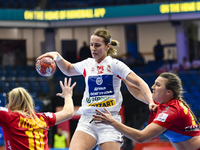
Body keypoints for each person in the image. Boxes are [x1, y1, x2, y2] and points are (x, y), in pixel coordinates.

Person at [37, 28, 156, 150]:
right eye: (92, 45)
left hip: (109, 120)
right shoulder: (87, 64)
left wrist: (151, 101)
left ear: (107, 46)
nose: (93, 48)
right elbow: (67, 69)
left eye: (97, 45)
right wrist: (57, 57)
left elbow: (139, 82)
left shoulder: (115, 65)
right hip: (88, 119)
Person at [93, 72, 200, 150]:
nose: (152, 87)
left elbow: (141, 137)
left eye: (158, 85)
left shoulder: (171, 111)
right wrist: (122, 76)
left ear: (169, 92)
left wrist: (112, 122)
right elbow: (138, 93)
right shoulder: (162, 103)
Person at [0, 77, 75, 150]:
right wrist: (68, 96)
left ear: (10, 105)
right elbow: (68, 112)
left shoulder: (8, 117)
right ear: (29, 102)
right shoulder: (44, 117)